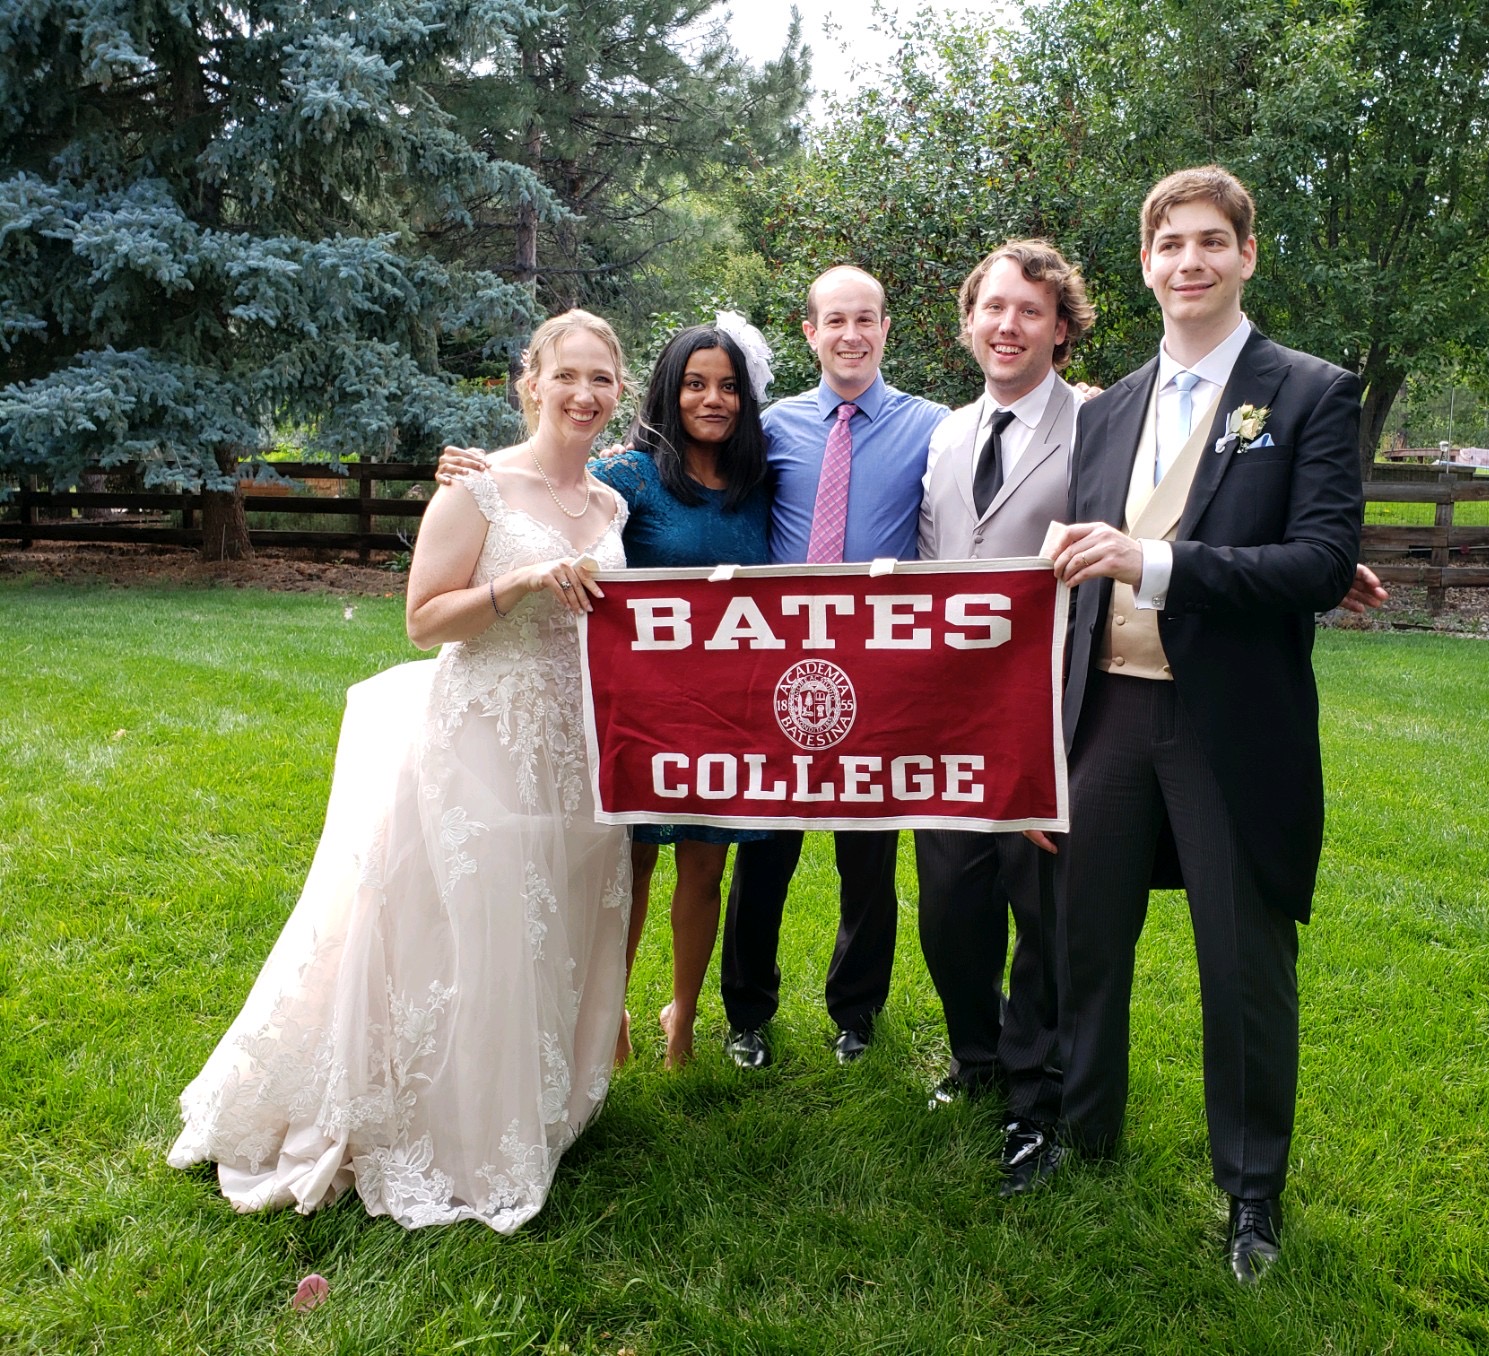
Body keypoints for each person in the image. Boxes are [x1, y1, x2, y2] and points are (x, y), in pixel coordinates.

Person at [168, 309, 633, 1233]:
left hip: (574, 742)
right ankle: (448, 1126)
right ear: (531, 382)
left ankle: (533, 1106)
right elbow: (424, 620)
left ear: (619, 392)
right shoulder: (477, 489)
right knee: (479, 920)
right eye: (566, 375)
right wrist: (521, 583)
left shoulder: (611, 505)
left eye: (601, 379)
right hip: (483, 736)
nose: (583, 394)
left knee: (548, 919)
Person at [1036, 167, 1364, 1283]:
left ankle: (1251, 1191)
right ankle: (1084, 1131)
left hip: (1229, 722)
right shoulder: (1106, 410)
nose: (1191, 261)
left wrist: (1157, 561)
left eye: (1212, 241)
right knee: (1085, 937)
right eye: (1170, 243)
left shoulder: (1310, 393)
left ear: (1246, 255)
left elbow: (1319, 563)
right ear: (1145, 264)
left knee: (1240, 960)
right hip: (1107, 713)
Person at [719, 265, 950, 1069]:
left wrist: (1082, 404)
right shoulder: (770, 427)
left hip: (879, 668)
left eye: (866, 319)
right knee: (764, 847)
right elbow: (697, 475)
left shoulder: (934, 426)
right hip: (781, 666)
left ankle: (857, 1012)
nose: (852, 334)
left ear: (886, 328)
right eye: (836, 321)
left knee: (868, 855)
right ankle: (746, 1012)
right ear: (810, 332)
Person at [913, 239, 1089, 1193]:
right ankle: (975, 1056)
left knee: (1044, 915)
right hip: (950, 722)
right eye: (994, 307)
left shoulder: (1097, 425)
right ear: (970, 321)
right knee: (951, 909)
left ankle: (1036, 1100)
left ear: (1060, 329)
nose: (1008, 325)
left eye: (1030, 310)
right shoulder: (946, 433)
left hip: (1052, 716)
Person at [591, 321, 773, 1068]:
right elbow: (549, 496)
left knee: (705, 868)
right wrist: (484, 473)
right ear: (670, 391)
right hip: (643, 707)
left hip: (730, 707)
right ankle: (610, 1015)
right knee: (629, 867)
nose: (713, 399)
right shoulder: (625, 475)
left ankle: (684, 1020)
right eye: (696, 384)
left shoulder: (762, 482)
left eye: (728, 386)